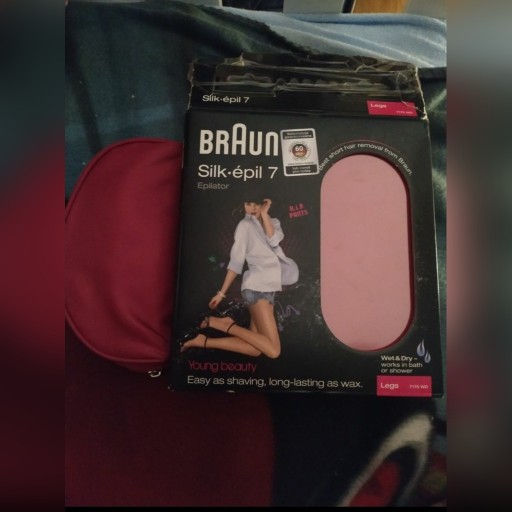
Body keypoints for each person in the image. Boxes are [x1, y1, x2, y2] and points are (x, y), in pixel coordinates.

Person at [180, 196, 298, 358]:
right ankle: (225, 325)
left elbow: (274, 240)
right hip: (257, 288)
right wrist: (221, 293)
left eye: (256, 203)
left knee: (255, 349)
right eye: (248, 204)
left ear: (264, 203)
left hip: (269, 288)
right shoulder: (244, 225)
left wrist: (265, 215)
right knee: (274, 351)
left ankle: (203, 341)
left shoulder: (273, 222)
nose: (252, 208)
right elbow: (236, 262)